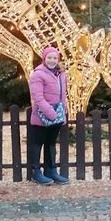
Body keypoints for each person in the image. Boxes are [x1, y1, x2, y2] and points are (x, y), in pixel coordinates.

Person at [28, 46, 70, 185]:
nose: (52, 60)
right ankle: (36, 172)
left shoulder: (61, 74)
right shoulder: (38, 74)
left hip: (57, 114)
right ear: (44, 59)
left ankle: (51, 170)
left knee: (51, 144)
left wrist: (63, 109)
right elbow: (38, 97)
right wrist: (50, 113)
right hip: (42, 116)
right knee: (37, 143)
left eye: (55, 58)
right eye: (49, 58)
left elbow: (63, 94)